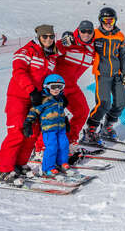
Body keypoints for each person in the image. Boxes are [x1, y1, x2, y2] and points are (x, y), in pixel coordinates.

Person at [0, 25, 58, 183]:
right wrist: (31, 90)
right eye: (45, 37)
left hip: (35, 100)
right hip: (18, 97)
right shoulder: (26, 51)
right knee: (16, 133)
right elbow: (18, 72)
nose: (48, 39)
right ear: (38, 37)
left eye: (51, 36)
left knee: (32, 133)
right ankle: (1, 170)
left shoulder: (50, 57)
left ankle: (19, 165)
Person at [32, 20, 95, 161]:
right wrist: (61, 42)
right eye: (82, 31)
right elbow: (49, 51)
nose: (86, 34)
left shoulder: (92, 49)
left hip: (72, 86)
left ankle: (70, 142)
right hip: (56, 87)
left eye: (89, 32)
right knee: (52, 117)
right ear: (78, 31)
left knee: (82, 111)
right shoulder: (68, 42)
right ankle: (41, 149)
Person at [82, 7, 125, 146]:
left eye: (111, 20)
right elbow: (82, 38)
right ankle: (90, 130)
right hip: (102, 74)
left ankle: (107, 127)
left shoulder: (120, 35)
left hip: (117, 75)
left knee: (121, 103)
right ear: (100, 21)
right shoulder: (95, 34)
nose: (108, 23)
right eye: (105, 20)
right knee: (103, 103)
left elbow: (122, 56)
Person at [23, 74, 70, 176]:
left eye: (60, 87)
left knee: (64, 145)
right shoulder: (43, 99)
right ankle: (48, 168)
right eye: (53, 87)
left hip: (61, 128)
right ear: (46, 86)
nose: (56, 89)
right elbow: (34, 111)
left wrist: (66, 121)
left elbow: (61, 112)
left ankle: (62, 163)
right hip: (49, 130)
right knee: (52, 147)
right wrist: (28, 122)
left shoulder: (60, 99)